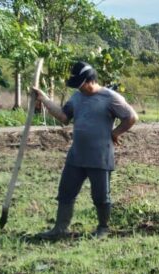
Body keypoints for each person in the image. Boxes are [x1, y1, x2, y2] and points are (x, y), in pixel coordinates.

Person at [32, 61, 137, 239]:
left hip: (100, 155)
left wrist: (115, 133)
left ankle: (103, 228)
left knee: (100, 195)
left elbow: (131, 117)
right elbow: (64, 117)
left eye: (81, 85)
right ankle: (60, 228)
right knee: (65, 192)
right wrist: (44, 99)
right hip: (77, 155)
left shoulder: (110, 97)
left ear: (91, 80)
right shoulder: (76, 97)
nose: (79, 89)